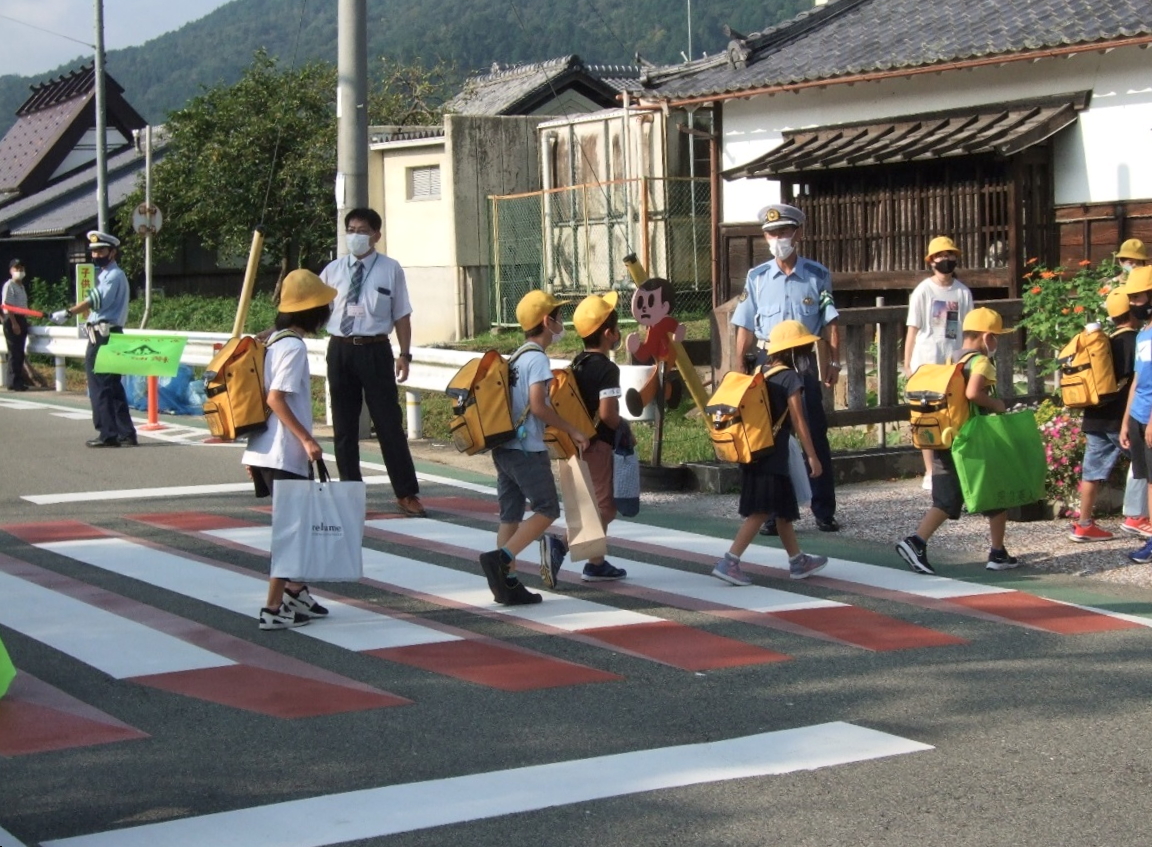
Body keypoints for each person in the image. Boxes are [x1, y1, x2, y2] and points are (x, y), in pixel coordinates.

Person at [733, 202, 841, 534]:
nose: (778, 238)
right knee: (769, 437)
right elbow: (745, 324)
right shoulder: (757, 277)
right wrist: (739, 368)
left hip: (804, 357)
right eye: (771, 233)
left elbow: (831, 320)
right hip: (768, 360)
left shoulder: (817, 275)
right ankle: (770, 513)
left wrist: (833, 360)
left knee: (813, 431)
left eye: (783, 232)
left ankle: (823, 510)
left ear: (797, 233)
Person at [478, 291, 591, 606]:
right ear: (546, 321)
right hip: (527, 450)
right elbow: (539, 407)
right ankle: (502, 558)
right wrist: (573, 430)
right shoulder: (538, 359)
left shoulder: (515, 358)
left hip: (503, 447)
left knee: (510, 515)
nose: (560, 322)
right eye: (557, 316)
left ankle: (507, 584)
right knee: (547, 509)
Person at [242, 269, 338, 630]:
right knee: (290, 532)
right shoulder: (293, 347)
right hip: (284, 452)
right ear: (311, 311)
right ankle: (272, 608)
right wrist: (308, 440)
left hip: (266, 449)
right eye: (324, 306)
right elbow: (275, 399)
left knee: (296, 526)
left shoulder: (272, 340)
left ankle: (296, 591)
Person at [895, 307, 1018, 574]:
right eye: (996, 337)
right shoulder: (982, 363)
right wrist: (997, 404)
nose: (997, 343)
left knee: (969, 495)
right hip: (970, 439)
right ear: (987, 337)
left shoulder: (954, 359)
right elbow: (973, 393)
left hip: (946, 436)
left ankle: (999, 551)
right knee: (964, 497)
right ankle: (915, 542)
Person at [321, 207, 425, 517]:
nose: (355, 236)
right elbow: (310, 309)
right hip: (340, 349)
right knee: (344, 426)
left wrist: (404, 354)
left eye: (362, 230)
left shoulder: (390, 269)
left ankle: (406, 493)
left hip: (375, 350)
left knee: (388, 424)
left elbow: (402, 314)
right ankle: (350, 494)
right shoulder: (332, 270)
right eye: (350, 229)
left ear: (376, 235)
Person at [711, 320, 827, 586]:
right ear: (796, 351)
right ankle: (730, 561)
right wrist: (812, 455)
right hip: (773, 455)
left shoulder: (761, 371)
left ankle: (798, 561)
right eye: (806, 348)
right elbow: (799, 421)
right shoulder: (790, 378)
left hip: (754, 449)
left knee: (784, 510)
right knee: (761, 511)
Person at [540, 291, 629, 587]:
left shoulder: (577, 363)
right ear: (608, 334)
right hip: (598, 444)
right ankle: (561, 545)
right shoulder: (608, 369)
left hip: (573, 441)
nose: (618, 334)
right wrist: (624, 426)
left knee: (585, 503)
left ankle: (596, 563)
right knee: (604, 507)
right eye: (616, 329)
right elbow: (608, 415)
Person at [50, 232, 137, 447]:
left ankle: (108, 434)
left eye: (101, 250)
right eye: (94, 251)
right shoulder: (108, 275)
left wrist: (68, 312)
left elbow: (95, 301)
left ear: (113, 252)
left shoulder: (113, 275)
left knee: (100, 386)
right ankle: (125, 432)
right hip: (110, 334)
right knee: (113, 386)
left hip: (103, 337)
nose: (96, 255)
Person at [1069, 288, 1139, 541]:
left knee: (1092, 473)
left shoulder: (1103, 343)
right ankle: (1137, 517)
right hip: (1121, 419)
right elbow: (1138, 383)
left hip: (1095, 416)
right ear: (1131, 313)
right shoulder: (1136, 341)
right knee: (1144, 466)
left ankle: (1084, 524)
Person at [904, 236, 974, 490]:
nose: (946, 260)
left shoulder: (962, 292)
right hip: (926, 361)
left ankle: (954, 468)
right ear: (931, 261)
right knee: (927, 414)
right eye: (940, 256)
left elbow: (968, 329)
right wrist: (908, 363)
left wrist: (967, 359)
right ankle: (930, 471)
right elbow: (913, 327)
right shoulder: (923, 290)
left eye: (950, 255)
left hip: (952, 361)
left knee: (954, 414)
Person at [1118, 267, 1152, 563]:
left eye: (1138, 297)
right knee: (1147, 478)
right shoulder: (1142, 335)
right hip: (1139, 416)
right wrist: (1127, 421)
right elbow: (1137, 382)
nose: (1134, 304)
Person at [2, 259, 30, 391]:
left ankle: (15, 381)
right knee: (15, 352)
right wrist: (14, 323)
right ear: (10, 271)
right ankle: (14, 382)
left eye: (21, 268)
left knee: (19, 352)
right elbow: (8, 306)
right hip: (13, 319)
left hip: (21, 319)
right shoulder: (10, 285)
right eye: (16, 268)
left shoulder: (21, 286)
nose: (19, 271)